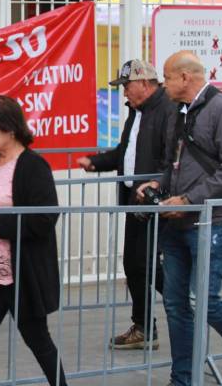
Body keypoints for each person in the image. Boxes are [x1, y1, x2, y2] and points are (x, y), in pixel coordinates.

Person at [137, 50, 222, 386]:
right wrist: (158, 184)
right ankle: (184, 378)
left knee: (204, 299)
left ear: (185, 77)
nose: (162, 84)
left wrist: (191, 199)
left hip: (215, 221)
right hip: (177, 221)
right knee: (177, 305)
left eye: (165, 77)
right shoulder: (178, 113)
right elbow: (174, 165)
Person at [0, 96, 67, 386]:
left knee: (39, 343)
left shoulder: (34, 166)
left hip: (21, 276)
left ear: (9, 129)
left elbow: (45, 219)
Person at [76, 59, 176, 350]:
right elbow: (125, 152)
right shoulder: (137, 111)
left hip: (157, 202)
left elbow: (171, 159)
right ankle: (144, 327)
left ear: (144, 83)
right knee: (133, 264)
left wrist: (158, 186)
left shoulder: (168, 110)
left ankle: (185, 299)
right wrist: (95, 162)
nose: (124, 93)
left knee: (146, 263)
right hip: (136, 201)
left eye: (127, 86)